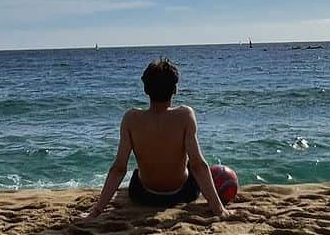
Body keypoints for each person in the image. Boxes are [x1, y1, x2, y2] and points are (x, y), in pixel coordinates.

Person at [80, 58, 229, 221]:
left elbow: (119, 168)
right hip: (182, 194)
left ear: (145, 89)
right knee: (190, 165)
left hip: (144, 195)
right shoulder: (185, 115)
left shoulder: (131, 118)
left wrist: (96, 211)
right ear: (175, 89)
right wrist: (219, 209)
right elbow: (198, 165)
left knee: (137, 172)